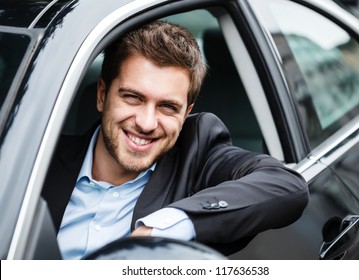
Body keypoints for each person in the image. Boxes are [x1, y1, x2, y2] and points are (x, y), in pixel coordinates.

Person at [42, 20, 309, 260]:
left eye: (167, 107)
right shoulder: (38, 159)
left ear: (186, 113)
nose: (146, 123)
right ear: (102, 95)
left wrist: (164, 229)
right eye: (133, 97)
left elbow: (286, 185)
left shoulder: (197, 155)